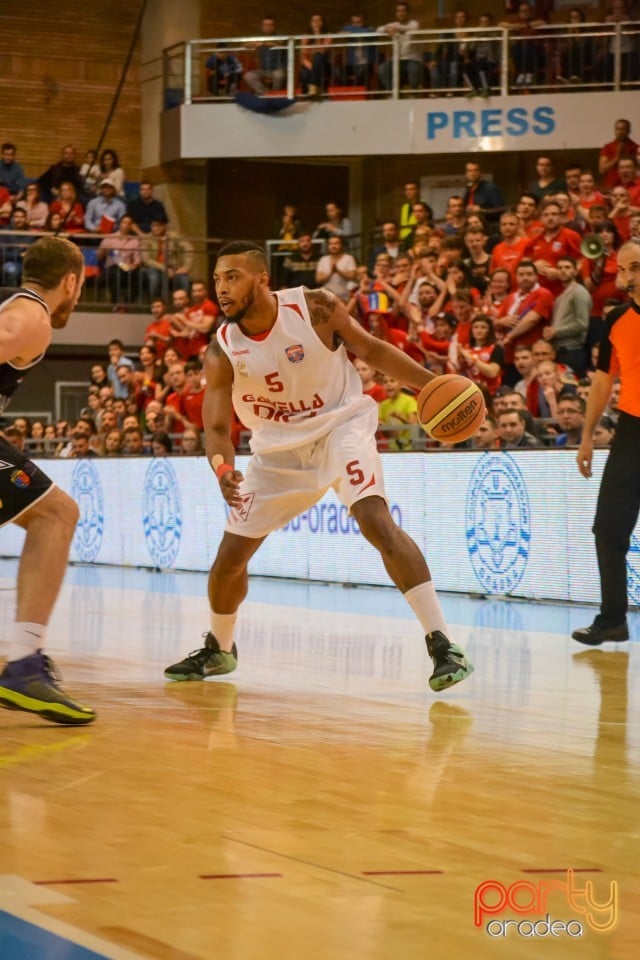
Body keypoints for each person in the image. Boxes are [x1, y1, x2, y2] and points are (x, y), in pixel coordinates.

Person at [164, 240, 473, 692]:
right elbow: (215, 425)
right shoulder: (222, 349)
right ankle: (220, 648)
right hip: (276, 452)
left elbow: (372, 350)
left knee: (375, 520)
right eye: (217, 279)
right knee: (229, 561)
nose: (222, 288)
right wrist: (221, 468)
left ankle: (443, 643)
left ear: (262, 279)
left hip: (340, 427)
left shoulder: (315, 308)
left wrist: (434, 386)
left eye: (232, 276)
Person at [0, 236, 95, 724]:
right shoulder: (31, 317)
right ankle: (23, 665)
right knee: (58, 513)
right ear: (71, 282)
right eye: (79, 290)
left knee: (54, 513)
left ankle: (24, 660)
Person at [573, 239, 640, 645]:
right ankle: (613, 618)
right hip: (632, 431)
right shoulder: (614, 320)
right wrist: (586, 437)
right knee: (608, 529)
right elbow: (602, 383)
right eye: (623, 269)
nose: (627, 276)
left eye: (635, 266)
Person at [244, 16, 288, 94]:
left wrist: (262, 43)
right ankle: (266, 93)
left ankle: (275, 95)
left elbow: (279, 43)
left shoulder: (279, 35)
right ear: (262, 27)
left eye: (270, 25)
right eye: (265, 25)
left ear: (273, 27)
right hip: (263, 69)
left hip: (277, 68)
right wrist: (252, 44)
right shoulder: (259, 36)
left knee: (279, 76)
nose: (268, 27)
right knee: (248, 76)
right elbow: (245, 44)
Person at [598, 119, 638, 191]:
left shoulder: (635, 147)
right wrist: (616, 158)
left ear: (629, 131)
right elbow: (602, 169)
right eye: (618, 129)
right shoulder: (607, 147)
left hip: (631, 187)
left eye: (623, 129)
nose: (620, 132)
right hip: (611, 187)